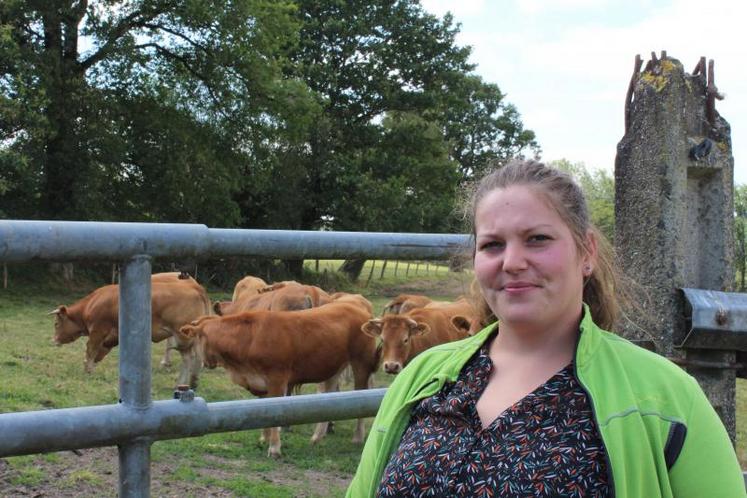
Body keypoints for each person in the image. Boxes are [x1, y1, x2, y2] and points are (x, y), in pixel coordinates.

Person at [346, 159, 745, 498]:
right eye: (492, 245)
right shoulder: (422, 377)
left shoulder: (666, 398)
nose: (512, 262)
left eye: (537, 239)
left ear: (586, 252)